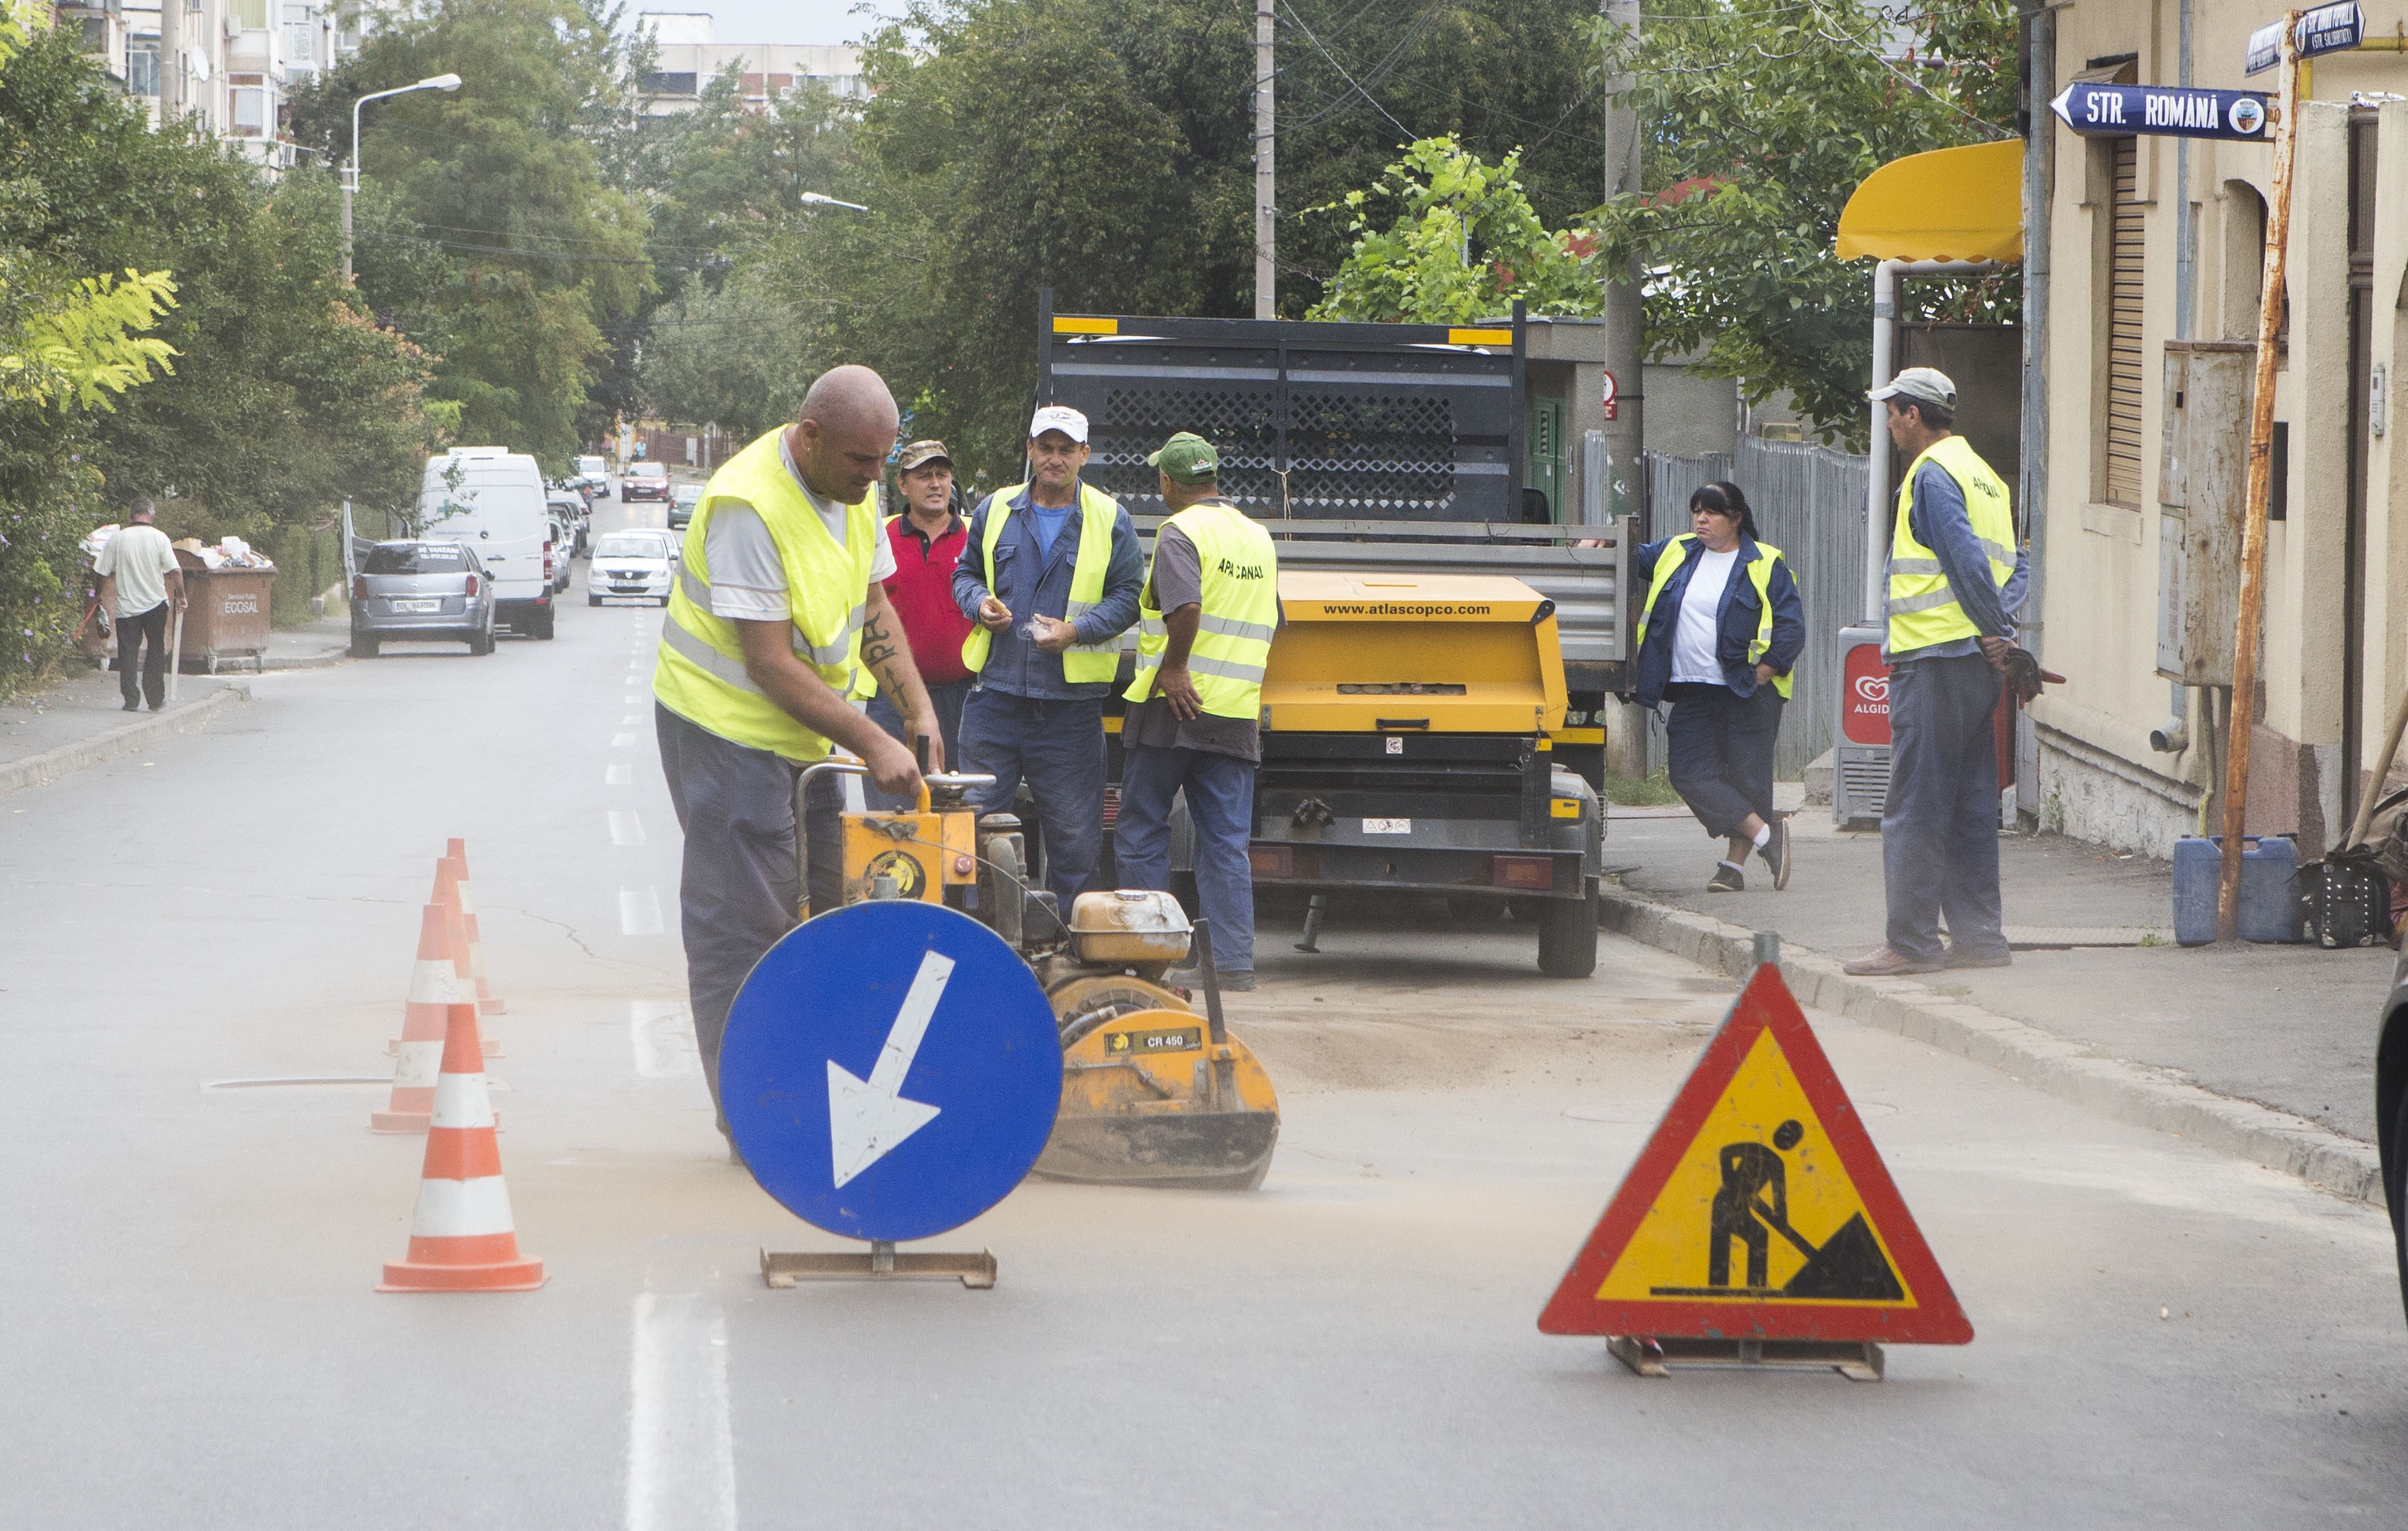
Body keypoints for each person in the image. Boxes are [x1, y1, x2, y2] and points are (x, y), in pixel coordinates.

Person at [652, 365, 942, 1148]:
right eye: (861, 462)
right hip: (725, 735)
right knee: (744, 931)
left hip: (804, 738)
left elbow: (874, 604)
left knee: (824, 912)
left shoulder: (856, 482)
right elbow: (770, 663)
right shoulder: (749, 504)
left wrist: (915, 708)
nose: (876, 477)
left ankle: (814, 1098)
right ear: (811, 437)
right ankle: (754, 1119)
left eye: (884, 461)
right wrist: (874, 739)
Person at [1843, 367, 2028, 977]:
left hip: (1935, 661)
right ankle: (1979, 940)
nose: (1889, 422)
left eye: (1892, 411)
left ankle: (1912, 943)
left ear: (1912, 413)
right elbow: (2018, 562)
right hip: (1976, 668)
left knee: (1917, 805)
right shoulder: (1986, 477)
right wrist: (2003, 633)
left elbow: (1967, 561)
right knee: (1971, 804)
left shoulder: (1932, 476)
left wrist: (1994, 629)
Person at [951, 404, 1143, 909]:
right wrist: (979, 603)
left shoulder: (1110, 518)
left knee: (1075, 842)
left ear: (1084, 454)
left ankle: (1067, 957)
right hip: (995, 700)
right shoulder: (995, 509)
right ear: (1030, 450)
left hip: (1069, 711)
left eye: (1066, 449)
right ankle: (977, 943)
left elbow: (1129, 597)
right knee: (968, 833)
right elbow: (965, 575)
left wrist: (1077, 630)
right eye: (1045, 447)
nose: (1054, 459)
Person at [1113, 433, 1279, 992]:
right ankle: (1232, 964)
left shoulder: (1179, 531)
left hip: (1173, 707)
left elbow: (1184, 606)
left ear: (1167, 481)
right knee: (1225, 842)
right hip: (1233, 712)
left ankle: (1149, 955)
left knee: (1140, 828)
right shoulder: (1257, 537)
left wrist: (1177, 668)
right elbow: (1272, 617)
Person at [1629, 482, 1805, 893]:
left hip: (1747, 689)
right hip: (1692, 688)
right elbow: (1630, 555)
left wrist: (1766, 670)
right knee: (1689, 774)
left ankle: (1734, 868)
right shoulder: (1677, 551)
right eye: (1696, 511)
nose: (1700, 520)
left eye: (1711, 512)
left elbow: (1791, 626)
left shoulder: (1765, 563)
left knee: (1748, 777)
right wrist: (1599, 541)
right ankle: (1768, 836)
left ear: (1736, 518)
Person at [863, 439, 975, 810]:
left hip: (963, 698)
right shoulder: (879, 535)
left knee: (956, 811)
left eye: (942, 475)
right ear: (902, 484)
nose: (935, 484)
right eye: (924, 476)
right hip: (892, 698)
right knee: (890, 813)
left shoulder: (976, 536)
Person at [93, 499, 185, 713]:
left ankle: (131, 699)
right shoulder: (160, 538)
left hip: (127, 606)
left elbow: (101, 571)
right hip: (155, 604)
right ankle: (154, 699)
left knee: (128, 652)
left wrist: (98, 595)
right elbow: (176, 571)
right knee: (155, 649)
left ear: (131, 515)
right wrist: (181, 596)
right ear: (151, 516)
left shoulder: (117, 539)